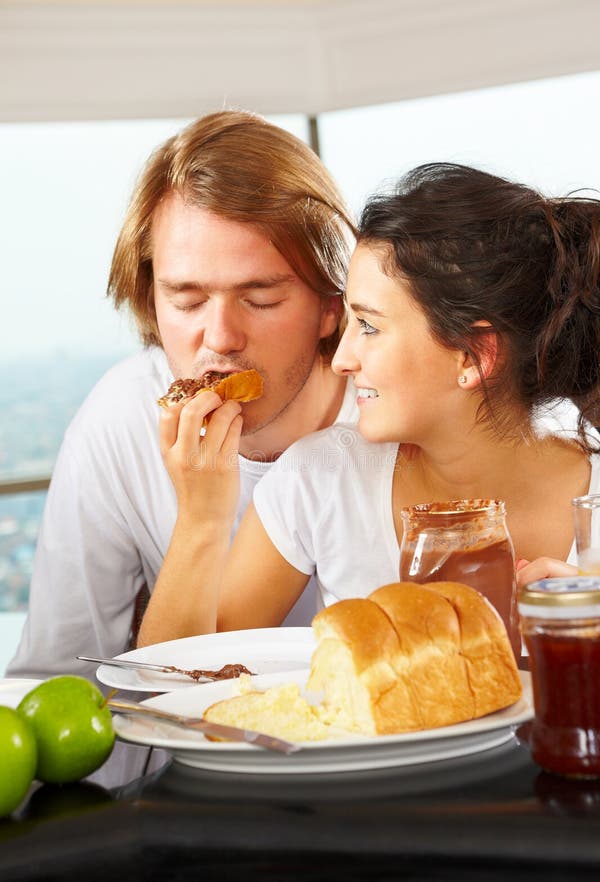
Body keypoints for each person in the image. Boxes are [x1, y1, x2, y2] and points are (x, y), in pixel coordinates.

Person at [137, 162, 599, 648]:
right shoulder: (321, 478)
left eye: (370, 326)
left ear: (473, 355)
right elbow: (172, 685)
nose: (341, 360)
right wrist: (200, 517)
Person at [6, 110, 357, 683]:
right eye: (187, 301)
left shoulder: (385, 422)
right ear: (150, 301)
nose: (220, 339)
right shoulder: (117, 421)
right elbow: (57, 674)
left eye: (261, 298)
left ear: (330, 305)